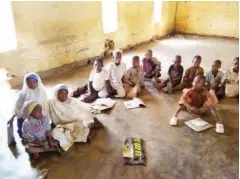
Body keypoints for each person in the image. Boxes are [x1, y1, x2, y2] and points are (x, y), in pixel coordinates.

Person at [48, 84, 102, 151]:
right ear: (56, 93)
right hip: (61, 125)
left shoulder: (72, 101)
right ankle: (82, 136)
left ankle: (79, 136)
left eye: (65, 94)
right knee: (55, 133)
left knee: (81, 124)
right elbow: (49, 115)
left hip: (74, 123)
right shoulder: (52, 102)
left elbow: (81, 112)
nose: (64, 96)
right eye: (61, 94)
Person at [8, 72, 48, 138]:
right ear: (26, 83)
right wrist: (14, 115)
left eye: (34, 82)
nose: (31, 84)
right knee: (26, 132)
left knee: (42, 129)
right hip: (26, 116)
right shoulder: (23, 94)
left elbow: (45, 105)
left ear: (38, 82)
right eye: (28, 82)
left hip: (38, 115)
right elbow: (18, 107)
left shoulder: (42, 92)